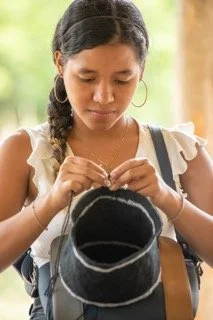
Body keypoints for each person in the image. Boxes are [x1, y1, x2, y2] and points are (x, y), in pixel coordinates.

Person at [0, 0, 213, 319]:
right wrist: (51, 201)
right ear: (60, 63)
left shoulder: (180, 151)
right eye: (87, 78)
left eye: (122, 79)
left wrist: (166, 197)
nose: (104, 96)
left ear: (141, 70)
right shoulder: (26, 151)